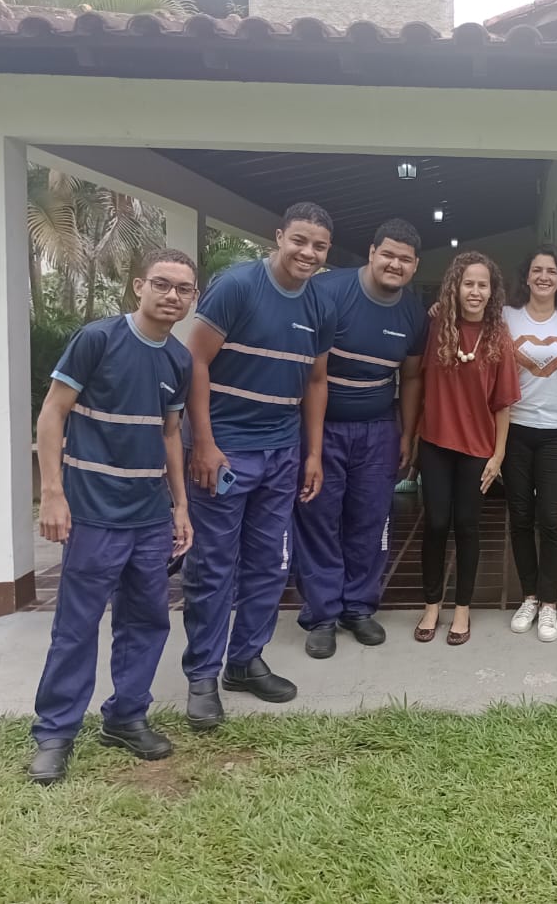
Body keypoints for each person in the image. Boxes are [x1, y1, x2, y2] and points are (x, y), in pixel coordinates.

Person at [28, 247, 197, 784]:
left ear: (192, 299)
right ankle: (55, 732)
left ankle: (126, 716)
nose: (172, 296)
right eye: (163, 285)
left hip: (149, 516)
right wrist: (52, 493)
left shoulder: (179, 360)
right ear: (138, 286)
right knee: (76, 626)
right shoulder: (98, 340)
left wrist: (181, 508)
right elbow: (52, 413)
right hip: (94, 513)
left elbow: (170, 434)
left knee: (146, 619)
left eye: (184, 290)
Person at [181, 202, 336, 729]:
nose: (308, 253)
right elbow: (195, 360)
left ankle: (244, 661)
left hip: (282, 451)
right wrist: (202, 442)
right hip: (224, 450)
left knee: (269, 563)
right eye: (300, 241)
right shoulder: (238, 286)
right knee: (213, 566)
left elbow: (316, 381)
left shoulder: (320, 304)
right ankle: (202, 675)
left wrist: (312, 454)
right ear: (279, 237)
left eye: (318, 246)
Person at [294, 219, 427, 659]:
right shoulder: (328, 292)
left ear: (414, 266)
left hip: (377, 431)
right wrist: (312, 448)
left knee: (370, 521)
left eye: (405, 259)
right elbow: (312, 375)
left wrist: (406, 432)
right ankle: (322, 615)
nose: (395, 264)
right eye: (388, 254)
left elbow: (409, 377)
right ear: (371, 253)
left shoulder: (411, 312)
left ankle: (358, 607)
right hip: (324, 427)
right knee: (319, 519)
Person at [415, 252, 520, 645]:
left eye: (482, 284)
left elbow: (503, 404)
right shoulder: (438, 325)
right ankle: (431, 606)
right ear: (455, 287)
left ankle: (462, 610)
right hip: (436, 443)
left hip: (478, 449)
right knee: (437, 524)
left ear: (492, 292)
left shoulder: (499, 337)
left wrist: (498, 455)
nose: (475, 291)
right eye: (468, 283)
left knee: (468, 527)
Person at [503, 245, 557, 643]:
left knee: (551, 519)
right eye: (536, 270)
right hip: (515, 429)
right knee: (520, 517)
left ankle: (550, 603)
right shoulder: (506, 317)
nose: (543, 277)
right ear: (526, 277)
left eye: (550, 271)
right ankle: (530, 596)